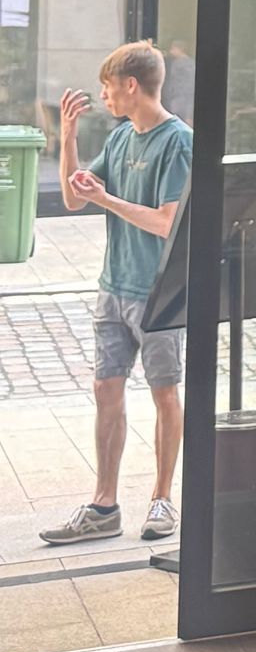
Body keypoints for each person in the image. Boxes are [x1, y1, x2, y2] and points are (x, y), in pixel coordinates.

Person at [40, 41, 192, 546]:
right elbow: (71, 199)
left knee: (164, 392)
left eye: (107, 86)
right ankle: (104, 506)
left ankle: (162, 499)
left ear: (131, 85)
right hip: (114, 287)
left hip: (158, 293)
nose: (103, 95)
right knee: (106, 388)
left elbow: (167, 222)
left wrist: (107, 199)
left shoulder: (178, 142)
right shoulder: (122, 135)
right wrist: (68, 138)